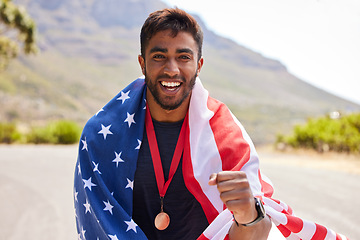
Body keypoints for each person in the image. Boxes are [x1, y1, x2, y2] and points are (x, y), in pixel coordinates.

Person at [74, 8, 348, 240]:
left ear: (199, 65)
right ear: (142, 63)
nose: (171, 69)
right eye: (159, 56)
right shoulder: (101, 136)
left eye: (183, 57)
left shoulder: (225, 137)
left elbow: (260, 231)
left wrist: (248, 215)